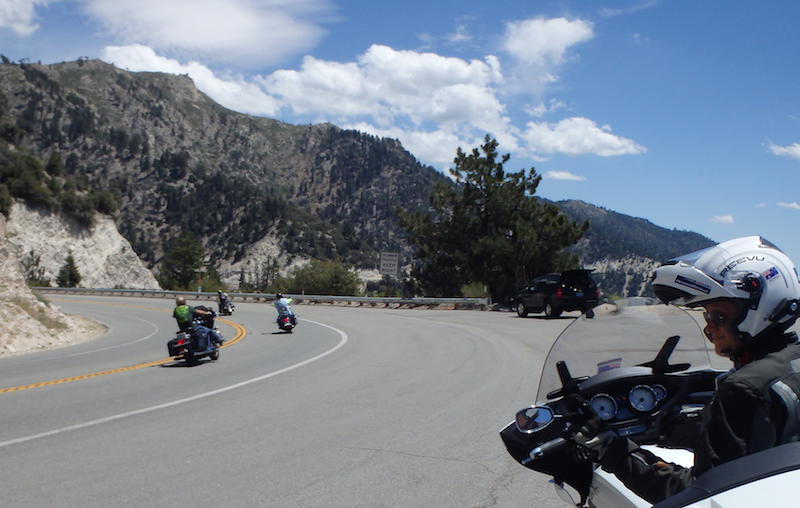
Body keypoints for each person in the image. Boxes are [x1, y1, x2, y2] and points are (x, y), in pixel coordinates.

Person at [569, 236, 800, 504]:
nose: (708, 328)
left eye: (718, 317)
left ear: (761, 310)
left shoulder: (744, 388)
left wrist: (614, 451)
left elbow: (700, 493)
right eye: (707, 316)